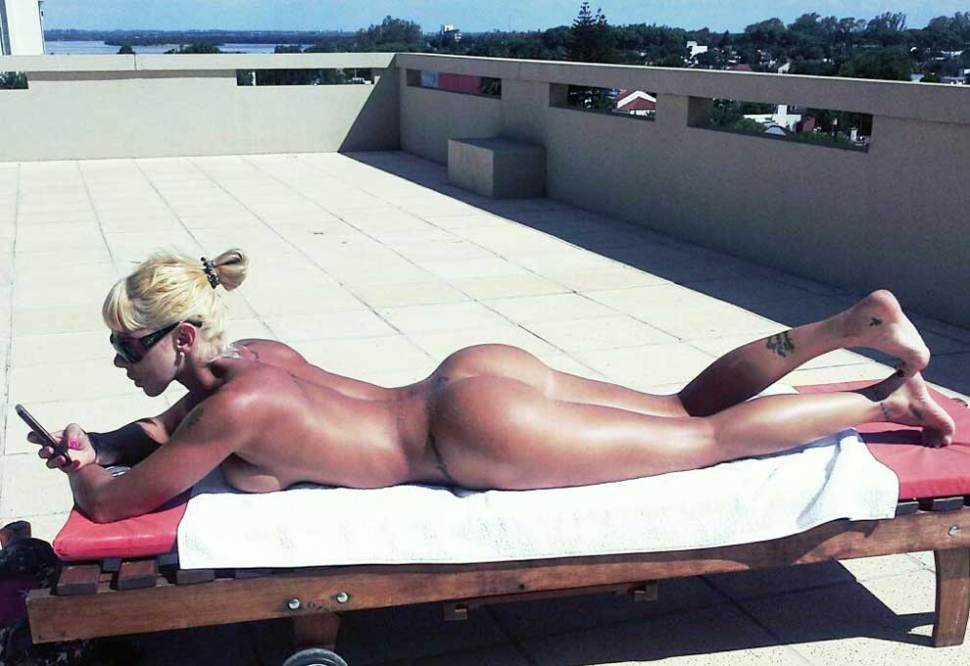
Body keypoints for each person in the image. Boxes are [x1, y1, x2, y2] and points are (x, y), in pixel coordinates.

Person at [30, 249, 956, 523]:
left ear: (183, 337)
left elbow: (112, 506)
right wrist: (100, 439)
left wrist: (82, 471)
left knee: (705, 441)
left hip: (473, 438)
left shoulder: (232, 411)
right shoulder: (255, 362)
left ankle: (886, 402)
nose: (120, 362)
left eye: (127, 347)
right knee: (682, 408)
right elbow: (165, 431)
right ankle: (848, 327)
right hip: (469, 377)